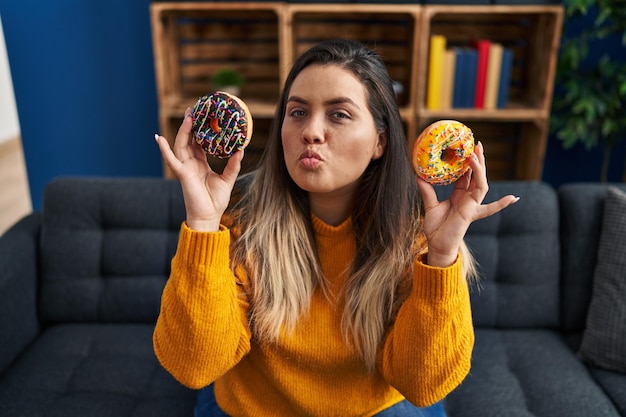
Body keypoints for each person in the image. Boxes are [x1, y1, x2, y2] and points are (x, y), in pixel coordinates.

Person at [153, 39, 518, 417]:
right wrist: (203, 224)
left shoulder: (416, 237)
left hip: (376, 409)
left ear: (379, 141)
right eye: (297, 112)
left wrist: (441, 258)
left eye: (339, 114)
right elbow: (194, 367)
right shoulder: (237, 224)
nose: (311, 131)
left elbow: (423, 386)